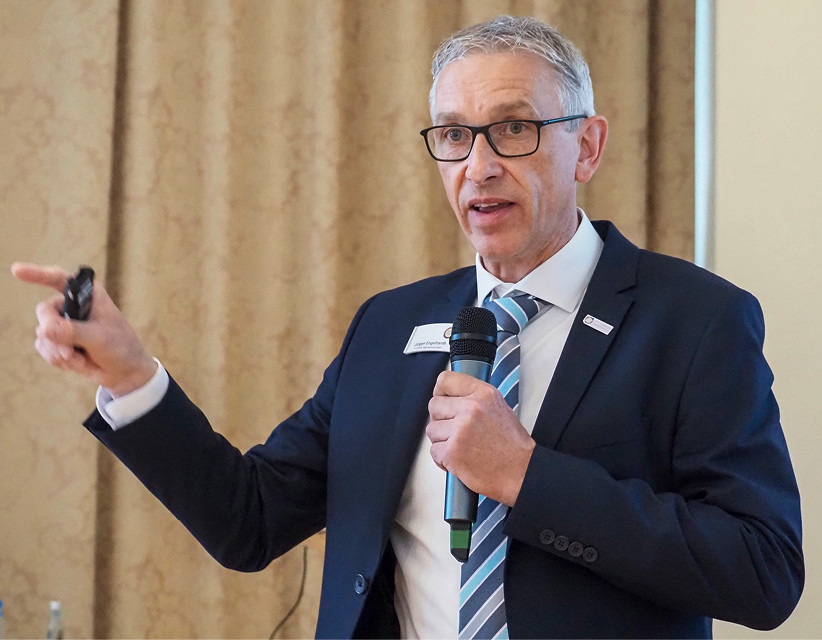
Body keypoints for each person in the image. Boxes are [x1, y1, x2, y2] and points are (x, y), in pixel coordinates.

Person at [12, 15, 803, 640]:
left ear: (586, 146)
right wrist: (129, 375)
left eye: (514, 129)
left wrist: (527, 477)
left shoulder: (695, 322)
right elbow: (246, 521)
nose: (479, 165)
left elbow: (763, 572)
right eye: (454, 135)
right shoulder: (392, 325)